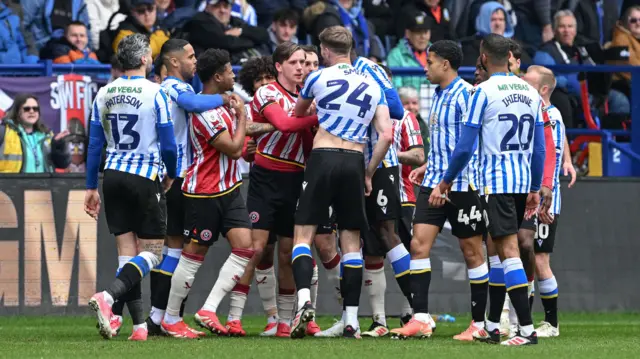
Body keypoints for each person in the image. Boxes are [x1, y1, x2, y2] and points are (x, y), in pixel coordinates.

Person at [432, 34, 547, 346]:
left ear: (483, 57)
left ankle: (526, 330)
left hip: (496, 182)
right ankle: (493, 325)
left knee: (507, 251)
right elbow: (539, 149)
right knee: (498, 252)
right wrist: (536, 187)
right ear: (510, 56)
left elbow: (465, 145)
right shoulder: (530, 91)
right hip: (523, 181)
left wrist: (445, 180)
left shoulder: (481, 92)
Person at [291, 26, 393, 339]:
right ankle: (351, 321)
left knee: (303, 234)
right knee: (351, 243)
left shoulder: (316, 78)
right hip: (353, 161)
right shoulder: (373, 84)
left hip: (323, 156)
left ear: (324, 50)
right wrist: (367, 171)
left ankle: (304, 302)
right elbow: (387, 134)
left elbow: (298, 116)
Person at [390, 40, 487, 341]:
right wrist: (428, 165)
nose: (425, 67)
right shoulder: (437, 94)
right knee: (418, 246)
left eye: (430, 61)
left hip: (460, 185)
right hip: (433, 182)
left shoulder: (466, 95)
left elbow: (467, 146)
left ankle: (479, 325)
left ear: (445, 64)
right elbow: (447, 142)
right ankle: (421, 319)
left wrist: (445, 181)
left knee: (471, 251)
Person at [85, 33, 177, 341]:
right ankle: (108, 298)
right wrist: (172, 173)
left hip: (112, 176)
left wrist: (90, 187)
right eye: (150, 55)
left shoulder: (104, 93)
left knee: (127, 254)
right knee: (152, 253)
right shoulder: (156, 93)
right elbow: (168, 142)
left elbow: (95, 144)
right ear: (143, 60)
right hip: (143, 176)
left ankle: (138, 328)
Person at [139, 38, 232, 335]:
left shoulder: (168, 89)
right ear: (174, 62)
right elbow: (192, 103)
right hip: (177, 177)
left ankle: (157, 316)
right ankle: (165, 317)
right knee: (179, 252)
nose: (195, 61)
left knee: (172, 250)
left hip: (170, 177)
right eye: (190, 56)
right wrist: (224, 99)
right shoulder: (174, 88)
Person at [228, 42, 320, 337]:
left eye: (305, 63)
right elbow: (283, 124)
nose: (301, 68)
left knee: (286, 253)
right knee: (255, 250)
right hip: (266, 177)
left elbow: (305, 141)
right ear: (279, 66)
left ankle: (283, 321)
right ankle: (234, 316)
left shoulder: (308, 97)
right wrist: (319, 118)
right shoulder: (267, 92)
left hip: (296, 179)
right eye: (294, 62)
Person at [160, 48, 254, 339]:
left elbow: (242, 136)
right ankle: (171, 318)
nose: (233, 75)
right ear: (217, 76)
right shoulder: (205, 113)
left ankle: (208, 309)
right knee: (193, 254)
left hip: (230, 188)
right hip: (205, 192)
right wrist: (241, 119)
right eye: (229, 71)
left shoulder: (225, 104)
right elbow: (234, 147)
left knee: (246, 248)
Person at [350, 52, 412, 339]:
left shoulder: (368, 71)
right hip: (353, 164)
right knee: (368, 247)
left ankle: (417, 310)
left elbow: (398, 114)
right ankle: (377, 320)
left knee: (389, 236)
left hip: (383, 169)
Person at [523, 65, 576, 338]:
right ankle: (527, 320)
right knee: (527, 258)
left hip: (545, 201)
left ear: (543, 89)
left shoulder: (549, 115)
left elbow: (549, 157)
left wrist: (546, 199)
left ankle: (551, 323)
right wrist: (569, 158)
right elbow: (560, 142)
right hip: (532, 197)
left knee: (540, 260)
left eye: (527, 82)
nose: (522, 84)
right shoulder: (538, 112)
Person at [384, 66, 426, 327]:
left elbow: (419, 155)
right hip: (366, 193)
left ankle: (413, 310)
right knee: (372, 255)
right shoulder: (361, 114)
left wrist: (389, 154)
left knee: (408, 251)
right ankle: (375, 319)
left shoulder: (405, 118)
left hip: (401, 195)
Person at [0, 94, 70, 173]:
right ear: (17, 112)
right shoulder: (4, 132)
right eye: (27, 109)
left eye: (35, 108)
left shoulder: (47, 136)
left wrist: (58, 145)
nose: (32, 111)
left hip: (44, 185)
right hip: (11, 185)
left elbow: (63, 164)